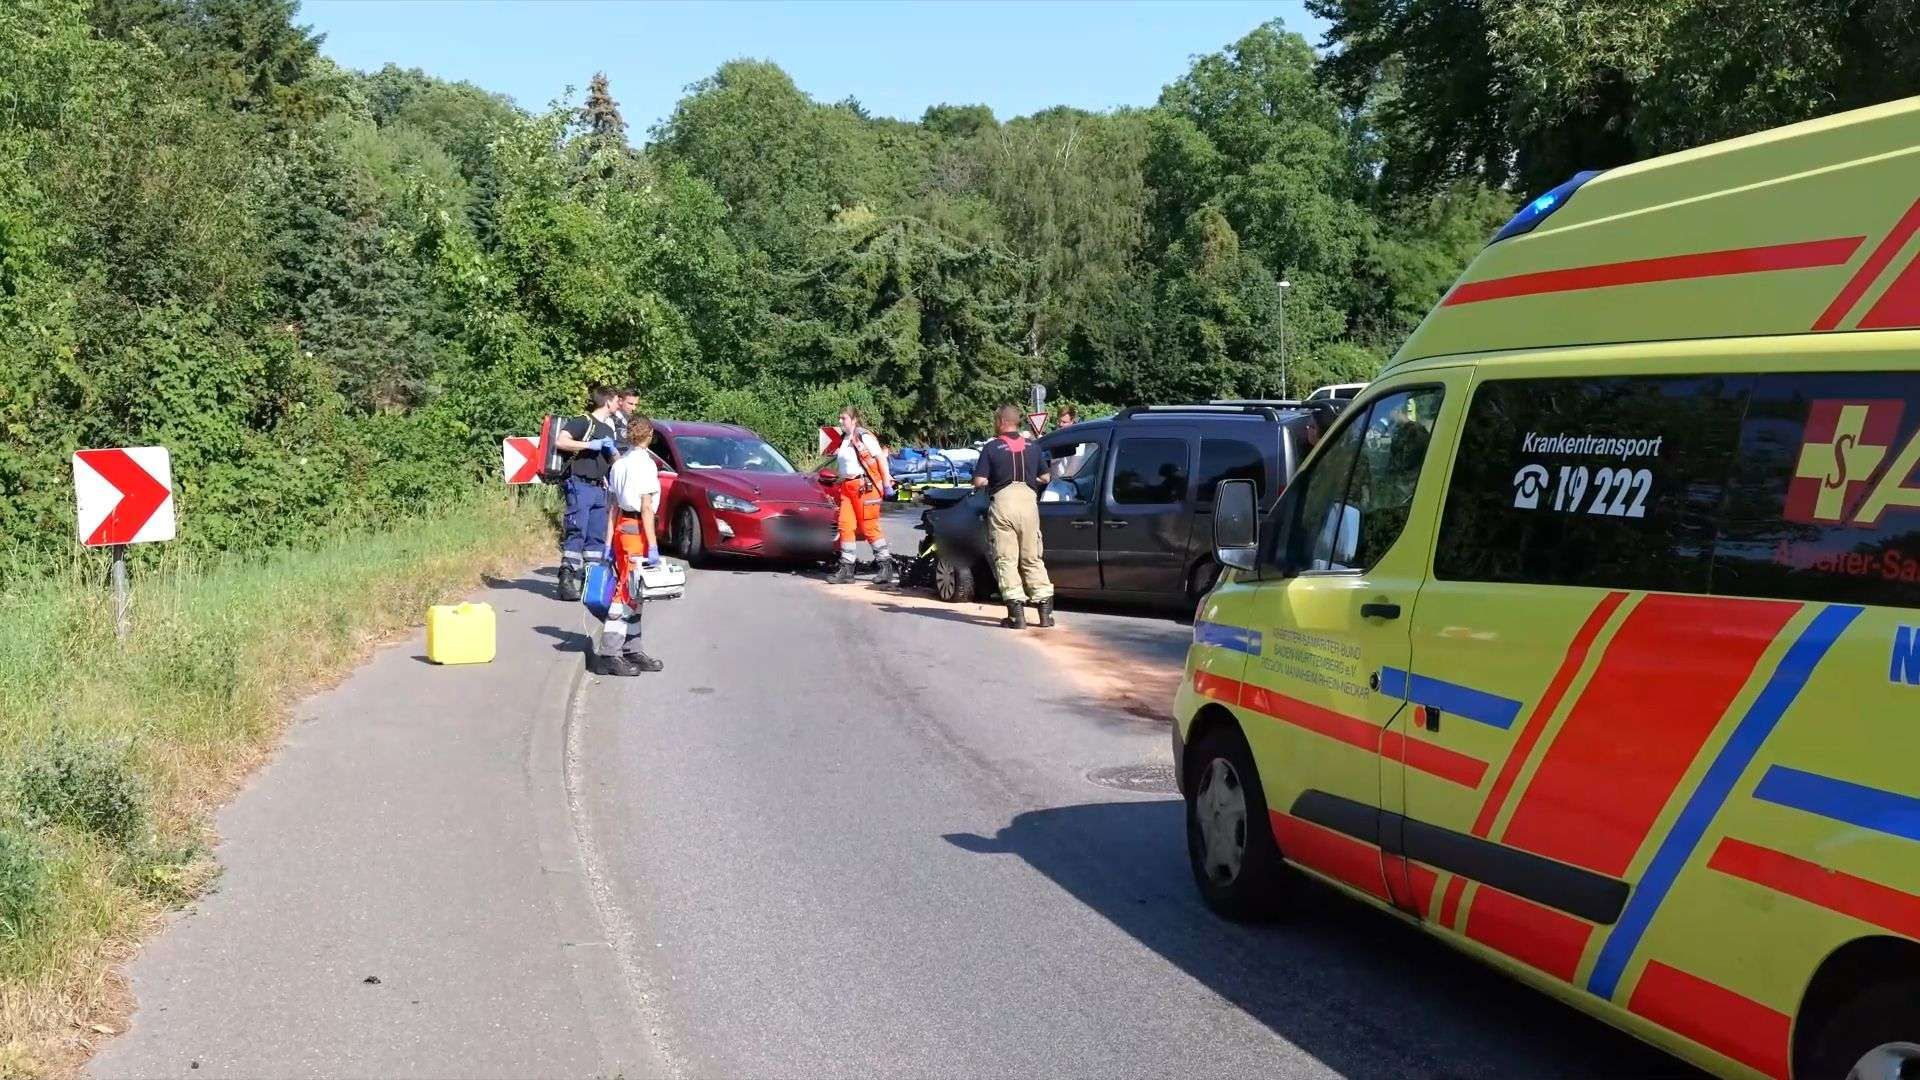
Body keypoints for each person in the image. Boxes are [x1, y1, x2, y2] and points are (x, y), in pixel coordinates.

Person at [594, 414, 665, 676]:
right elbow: (646, 508)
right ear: (649, 436)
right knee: (625, 592)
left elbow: (612, 506)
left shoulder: (620, 464)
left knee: (635, 592)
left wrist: (608, 542)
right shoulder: (645, 465)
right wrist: (654, 546)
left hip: (623, 527)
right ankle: (610, 653)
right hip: (637, 530)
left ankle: (631, 648)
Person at [973, 404, 1055, 629]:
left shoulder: (992, 447)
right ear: (1017, 422)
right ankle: (1045, 614)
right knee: (1032, 557)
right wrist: (1030, 480)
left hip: (1004, 503)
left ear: (1000, 421)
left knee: (1007, 558)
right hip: (1029, 504)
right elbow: (1046, 477)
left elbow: (979, 481)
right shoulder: (1033, 446)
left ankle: (1016, 616)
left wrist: (992, 481)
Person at [553, 386, 621, 601]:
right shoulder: (583, 421)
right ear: (608, 401)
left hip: (599, 488)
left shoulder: (609, 430)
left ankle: (589, 583)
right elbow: (561, 441)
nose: (619, 404)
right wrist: (590, 444)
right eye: (617, 400)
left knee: (596, 539)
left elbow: (613, 460)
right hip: (579, 485)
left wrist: (619, 458)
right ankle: (566, 581)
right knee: (577, 531)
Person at [829, 406, 896, 585]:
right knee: (845, 526)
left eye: (843, 418)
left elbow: (880, 458)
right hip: (847, 487)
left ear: (854, 420)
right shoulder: (845, 439)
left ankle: (885, 566)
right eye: (840, 418)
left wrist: (887, 484)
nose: (840, 422)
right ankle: (847, 569)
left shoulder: (864, 436)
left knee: (869, 527)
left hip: (864, 487)